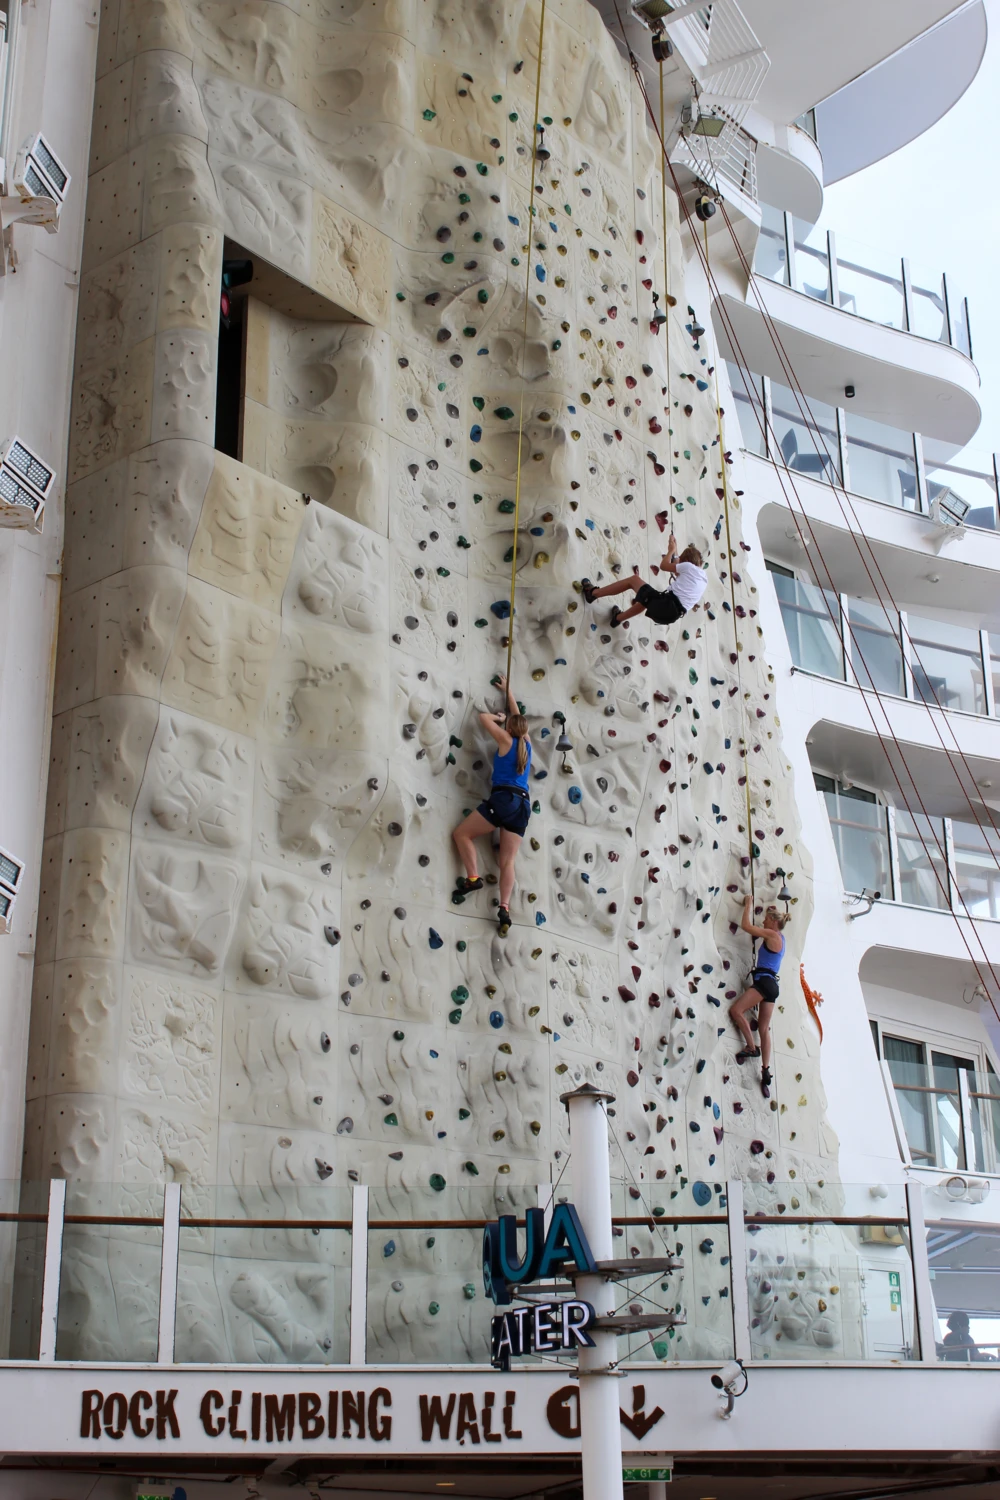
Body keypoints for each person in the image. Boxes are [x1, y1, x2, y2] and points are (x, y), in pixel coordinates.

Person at [451, 674, 532, 936]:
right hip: (522, 806)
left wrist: (498, 718)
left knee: (462, 834)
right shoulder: (526, 745)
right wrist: (509, 692)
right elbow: (519, 719)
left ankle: (473, 878)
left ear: (509, 728)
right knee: (507, 861)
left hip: (505, 799)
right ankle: (505, 908)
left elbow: (483, 719)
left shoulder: (506, 740)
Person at [581, 524, 706, 629]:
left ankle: (592, 593)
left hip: (665, 605)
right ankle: (617, 619)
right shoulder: (702, 580)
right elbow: (678, 570)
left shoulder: (688, 568)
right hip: (671, 615)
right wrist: (675, 549)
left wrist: (671, 551)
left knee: (633, 581)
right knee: (646, 598)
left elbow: (664, 566)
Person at [729, 895, 789, 1098]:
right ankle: (765, 1070)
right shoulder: (782, 939)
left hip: (764, 983)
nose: (763, 921)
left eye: (766, 919)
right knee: (764, 1028)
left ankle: (751, 1047)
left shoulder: (771, 935)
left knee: (736, 1011)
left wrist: (747, 905)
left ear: (773, 922)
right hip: (772, 986)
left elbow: (746, 925)